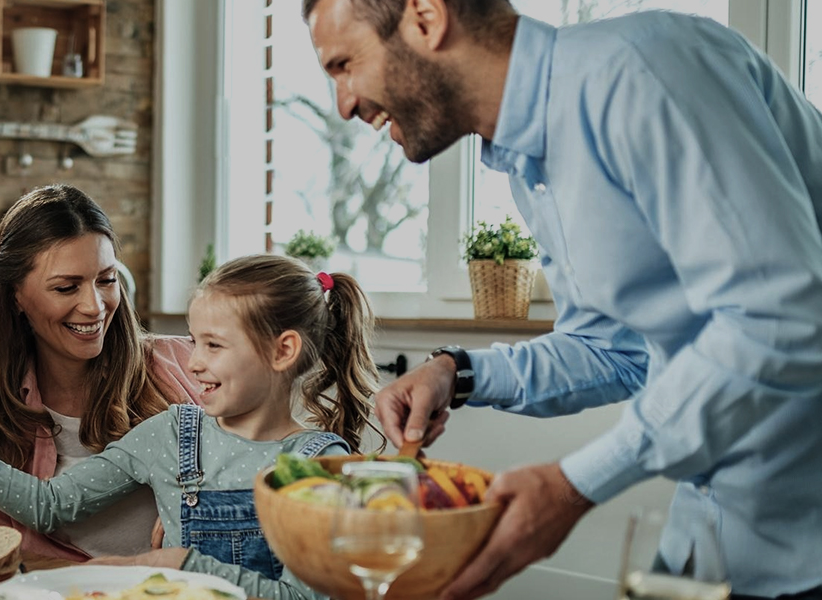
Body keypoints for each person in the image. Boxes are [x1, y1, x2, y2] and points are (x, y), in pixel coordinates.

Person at [300, 0, 822, 598]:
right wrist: (457, 372)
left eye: (343, 64)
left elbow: (780, 318)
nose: (343, 104)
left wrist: (575, 484)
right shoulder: (531, 159)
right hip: (712, 541)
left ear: (425, 17)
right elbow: (617, 350)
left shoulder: (642, 70)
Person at [0, 254, 382, 600]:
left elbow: (304, 597)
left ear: (283, 350)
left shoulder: (318, 465)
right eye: (194, 341)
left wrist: (181, 562)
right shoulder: (172, 434)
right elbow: (51, 505)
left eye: (214, 346)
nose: (194, 362)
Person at [0, 184, 200, 561]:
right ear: (16, 297)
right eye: (66, 287)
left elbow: (260, 460)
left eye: (106, 280)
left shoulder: (188, 366)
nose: (94, 306)